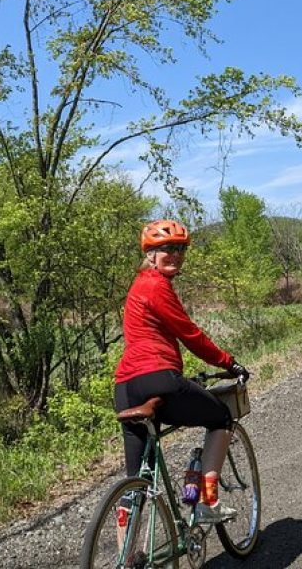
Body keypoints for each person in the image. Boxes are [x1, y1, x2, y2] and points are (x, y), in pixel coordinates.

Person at [114, 219, 246, 523]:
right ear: (149, 254)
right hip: (158, 379)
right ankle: (207, 504)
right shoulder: (155, 285)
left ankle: (126, 556)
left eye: (180, 249)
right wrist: (228, 362)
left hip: (125, 387)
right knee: (222, 418)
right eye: (166, 249)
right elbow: (190, 335)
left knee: (135, 484)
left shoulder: (137, 287)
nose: (175, 254)